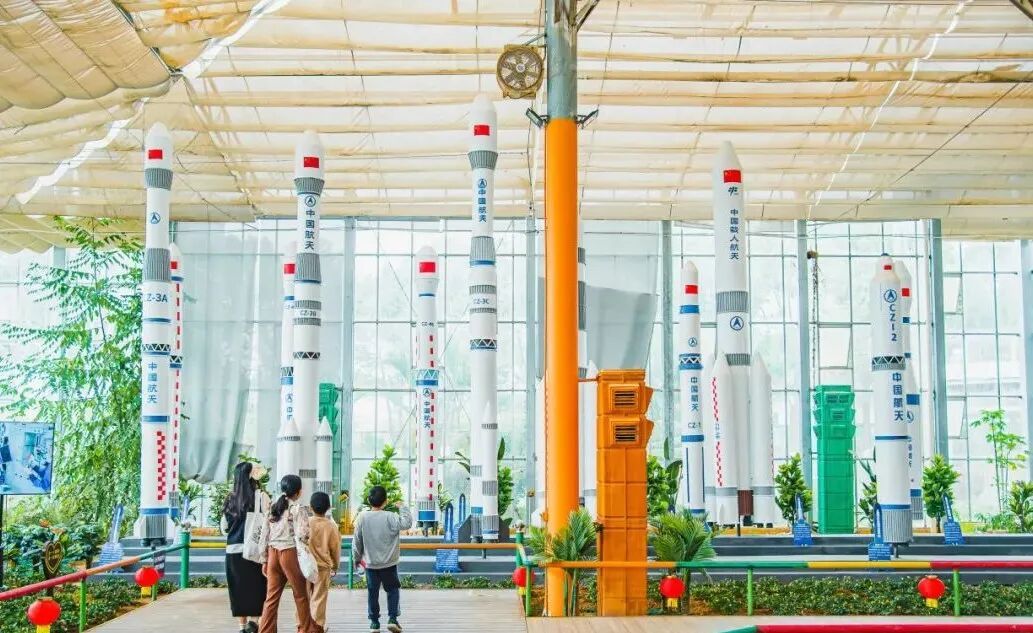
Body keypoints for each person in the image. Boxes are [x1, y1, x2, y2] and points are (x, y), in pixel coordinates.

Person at [259, 475, 318, 633]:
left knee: (271, 598)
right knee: (300, 595)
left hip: (272, 554)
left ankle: (265, 630)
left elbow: (264, 535)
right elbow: (303, 535)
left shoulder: (272, 508)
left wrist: (264, 559)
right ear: (298, 492)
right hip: (289, 554)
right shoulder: (298, 509)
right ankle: (306, 629)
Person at [352, 486, 412, 633]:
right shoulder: (391, 516)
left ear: (369, 501)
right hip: (389, 564)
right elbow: (407, 523)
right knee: (392, 590)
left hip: (370, 564)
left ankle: (374, 623)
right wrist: (403, 507)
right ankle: (392, 619)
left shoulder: (362, 517)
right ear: (385, 501)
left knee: (372, 592)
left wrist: (357, 559)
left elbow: (357, 542)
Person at [222, 461, 270, 633]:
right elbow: (268, 523)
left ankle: (242, 627)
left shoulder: (230, 498)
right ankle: (254, 622)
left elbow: (224, 527)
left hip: (233, 551)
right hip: (254, 551)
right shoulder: (261, 497)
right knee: (257, 587)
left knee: (238, 589)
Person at [307, 492, 340, 633]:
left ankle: (302, 625)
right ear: (328, 508)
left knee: (303, 598)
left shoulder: (305, 522)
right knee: (319, 598)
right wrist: (335, 566)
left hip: (305, 567)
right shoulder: (331, 526)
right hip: (322, 567)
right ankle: (317, 627)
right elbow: (335, 548)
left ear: (310, 507)